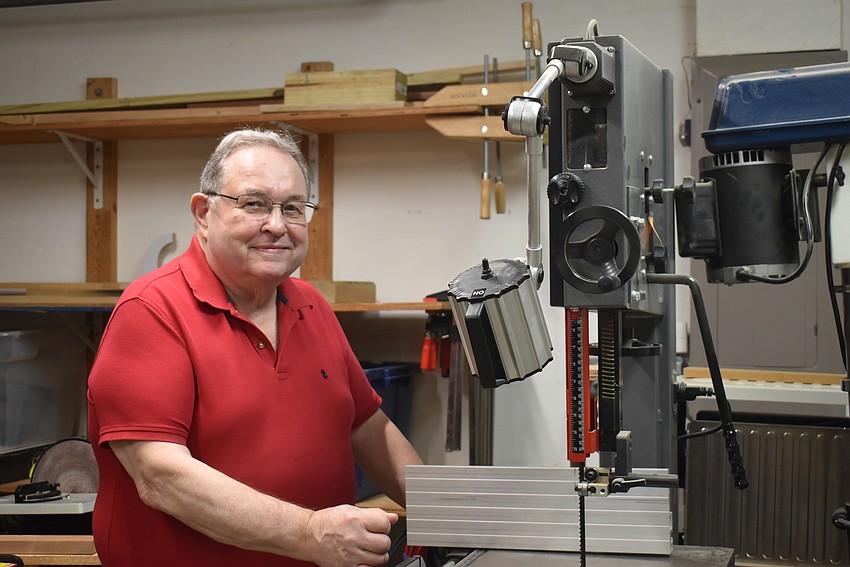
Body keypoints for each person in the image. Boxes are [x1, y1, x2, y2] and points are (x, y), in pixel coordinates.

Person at [87, 128, 423, 567]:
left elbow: (367, 427)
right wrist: (309, 533)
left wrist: (450, 514)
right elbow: (161, 476)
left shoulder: (311, 306)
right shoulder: (152, 310)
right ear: (203, 213)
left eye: (293, 208)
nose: (277, 225)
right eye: (254, 204)